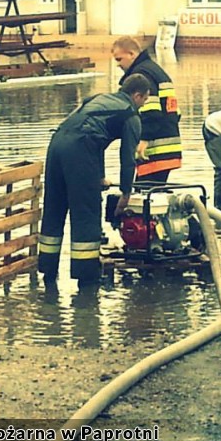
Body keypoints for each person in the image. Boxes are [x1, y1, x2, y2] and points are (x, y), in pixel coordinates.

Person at [38, 73, 151, 285]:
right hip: (81, 149)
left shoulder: (98, 99)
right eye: (144, 99)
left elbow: (94, 136)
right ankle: (86, 278)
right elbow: (128, 157)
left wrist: (99, 177)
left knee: (54, 207)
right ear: (137, 95)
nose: (143, 104)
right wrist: (126, 193)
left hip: (56, 145)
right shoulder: (130, 115)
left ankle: (48, 271)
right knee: (86, 211)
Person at [112, 36, 182, 183]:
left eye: (119, 59)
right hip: (167, 146)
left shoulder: (141, 75)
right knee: (153, 190)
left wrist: (144, 138)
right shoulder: (154, 70)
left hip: (152, 149)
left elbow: (151, 111)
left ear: (131, 54)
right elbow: (174, 111)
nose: (118, 64)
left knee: (144, 191)